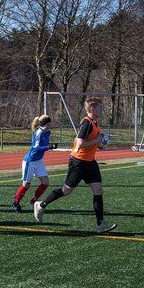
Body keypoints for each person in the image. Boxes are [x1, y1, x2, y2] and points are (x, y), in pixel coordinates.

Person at [33, 97, 116, 234]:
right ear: (92, 109)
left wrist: (102, 144)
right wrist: (97, 140)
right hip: (78, 163)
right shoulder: (87, 123)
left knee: (98, 191)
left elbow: (95, 143)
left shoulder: (95, 124)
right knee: (66, 191)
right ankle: (41, 205)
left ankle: (100, 224)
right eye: (100, 107)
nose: (102, 110)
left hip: (90, 163)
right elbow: (79, 144)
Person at [11, 114, 57, 212]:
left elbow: (44, 145)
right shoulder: (38, 133)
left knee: (45, 183)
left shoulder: (48, 132)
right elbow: (36, 148)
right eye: (48, 125)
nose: (49, 127)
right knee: (26, 185)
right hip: (30, 161)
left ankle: (34, 200)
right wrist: (48, 147)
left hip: (39, 161)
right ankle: (15, 203)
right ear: (42, 124)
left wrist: (49, 146)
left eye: (50, 124)